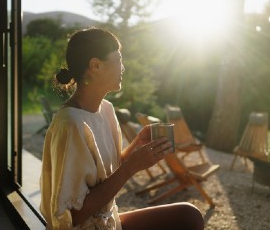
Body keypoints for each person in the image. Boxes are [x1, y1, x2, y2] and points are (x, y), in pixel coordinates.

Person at [40, 27, 204, 230]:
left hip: (109, 222)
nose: (123, 67)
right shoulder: (70, 124)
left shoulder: (106, 110)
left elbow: (107, 176)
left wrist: (137, 146)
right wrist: (130, 167)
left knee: (189, 216)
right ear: (95, 65)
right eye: (118, 59)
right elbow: (74, 215)